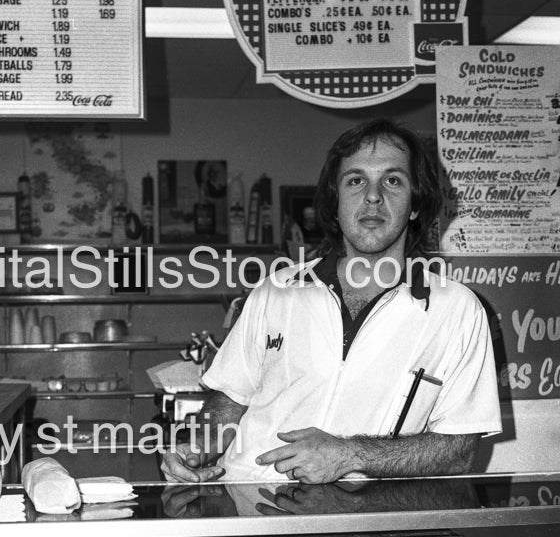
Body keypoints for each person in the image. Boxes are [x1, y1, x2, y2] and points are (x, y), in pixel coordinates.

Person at [161, 119, 502, 484]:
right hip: (250, 507)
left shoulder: (458, 311)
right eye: (355, 180)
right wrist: (199, 447)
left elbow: (459, 451)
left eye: (393, 180)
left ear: (415, 205)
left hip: (365, 523)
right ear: (335, 205)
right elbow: (230, 397)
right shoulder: (275, 291)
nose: (373, 196)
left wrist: (347, 455)